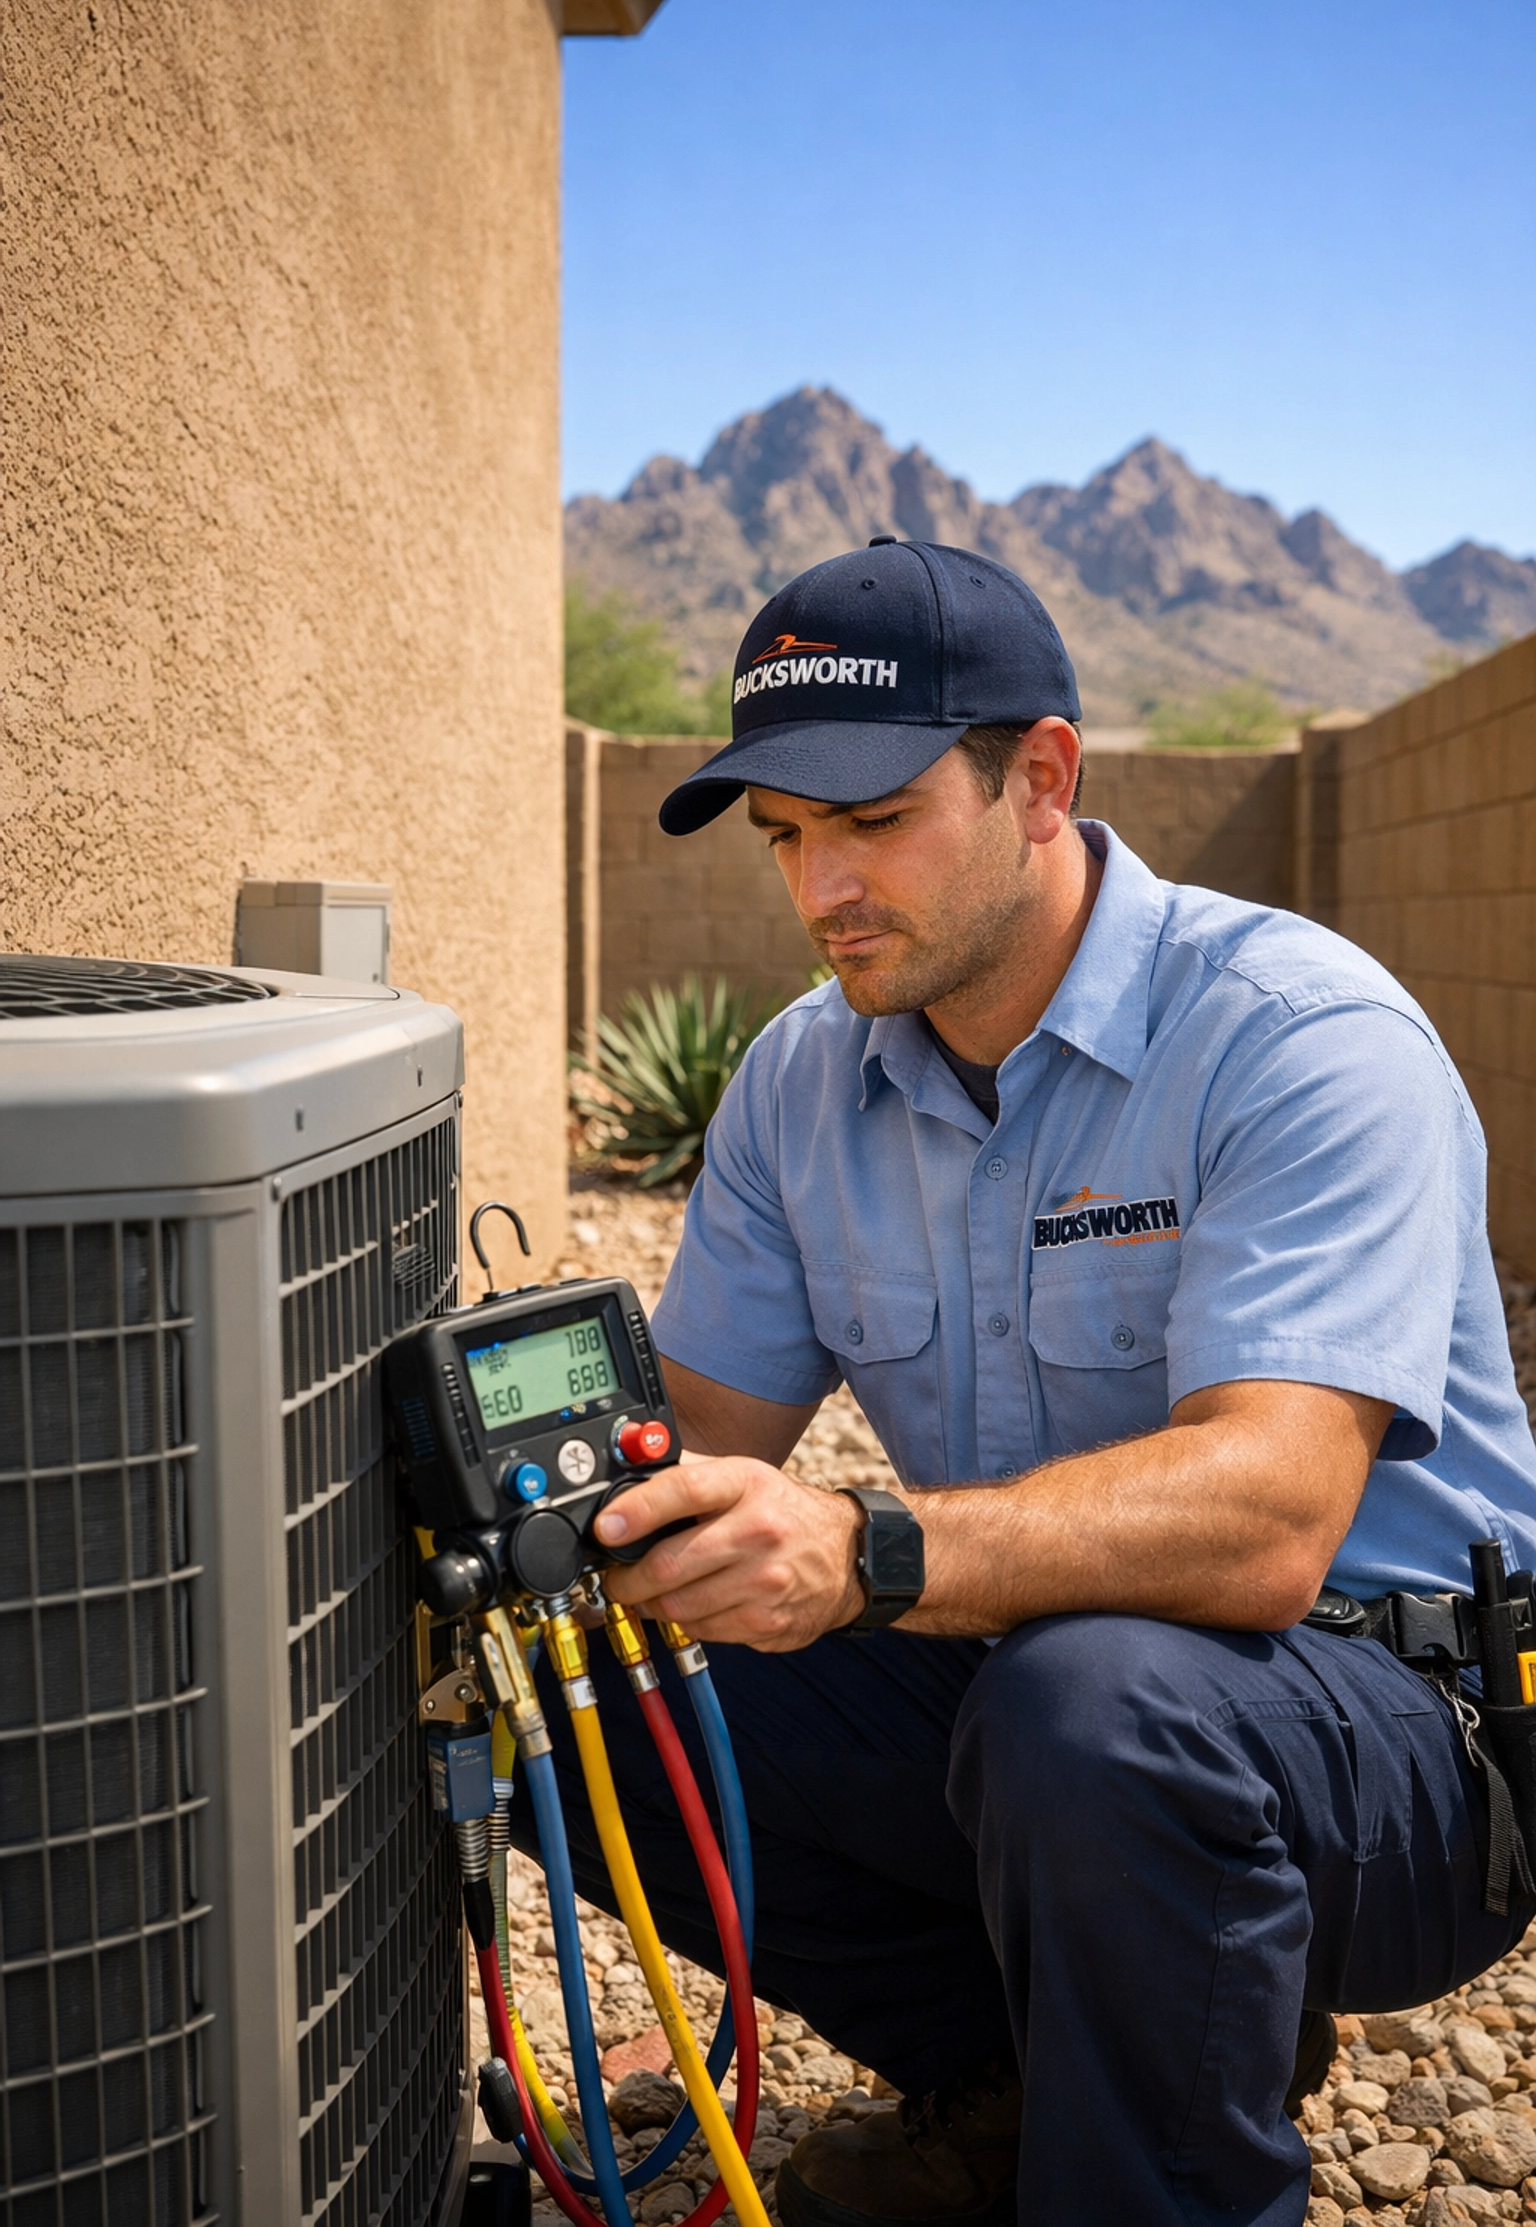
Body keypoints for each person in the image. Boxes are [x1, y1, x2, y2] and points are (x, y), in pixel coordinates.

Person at [514, 540, 1536, 2227]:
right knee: (587, 1687)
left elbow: (1273, 1523)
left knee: (1093, 1705)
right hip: (1035, 1715)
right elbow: (688, 1453)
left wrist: (862, 1552)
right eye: (785, 838)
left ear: (1040, 778)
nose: (820, 887)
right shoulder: (794, 1085)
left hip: (1393, 1746)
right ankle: (1029, 2084)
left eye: (871, 819)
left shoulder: (1297, 1038)